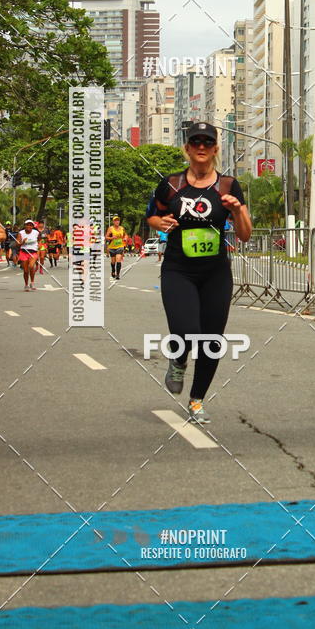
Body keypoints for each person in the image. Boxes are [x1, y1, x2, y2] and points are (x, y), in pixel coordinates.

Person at [147, 121, 252, 424]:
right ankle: (178, 359)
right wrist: (160, 224)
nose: (202, 147)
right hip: (179, 270)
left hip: (215, 273)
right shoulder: (172, 184)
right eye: (196, 142)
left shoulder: (229, 185)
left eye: (208, 142)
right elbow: (152, 215)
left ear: (216, 148)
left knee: (212, 339)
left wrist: (238, 211)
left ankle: (197, 400)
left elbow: (245, 234)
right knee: (186, 330)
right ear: (187, 148)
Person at [17, 219, 40, 290]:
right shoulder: (21, 233)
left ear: (33, 226)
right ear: (25, 225)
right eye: (27, 224)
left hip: (33, 252)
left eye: (30, 225)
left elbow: (39, 241)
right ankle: (26, 284)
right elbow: (17, 244)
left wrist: (38, 248)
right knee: (26, 271)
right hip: (24, 252)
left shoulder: (36, 232)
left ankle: (32, 283)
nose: (29, 226)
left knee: (31, 266)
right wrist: (22, 242)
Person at [105, 216, 127, 280]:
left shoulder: (122, 228)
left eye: (118, 220)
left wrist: (125, 238)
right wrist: (112, 238)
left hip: (120, 246)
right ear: (113, 222)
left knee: (118, 259)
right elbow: (106, 237)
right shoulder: (110, 228)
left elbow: (125, 234)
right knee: (113, 262)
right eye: (115, 220)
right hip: (112, 247)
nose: (117, 221)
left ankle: (117, 274)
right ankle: (113, 271)